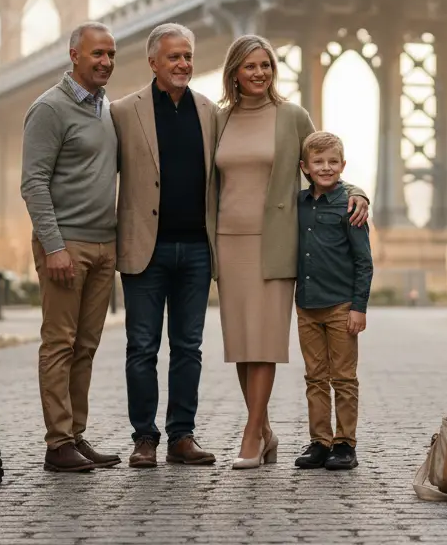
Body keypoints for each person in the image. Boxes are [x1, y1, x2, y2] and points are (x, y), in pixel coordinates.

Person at [212, 34, 368, 470]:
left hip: (276, 242)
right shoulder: (218, 119)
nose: (260, 73)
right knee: (242, 344)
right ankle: (264, 432)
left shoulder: (292, 116)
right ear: (234, 73)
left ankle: (250, 433)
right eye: (250, 66)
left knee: (263, 342)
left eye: (266, 65)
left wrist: (358, 192)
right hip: (227, 241)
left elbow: (324, 166)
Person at [110, 23, 219, 468]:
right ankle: (144, 438)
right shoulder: (121, 112)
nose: (183, 64)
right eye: (173, 57)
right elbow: (97, 173)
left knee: (188, 348)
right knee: (141, 347)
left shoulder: (212, 112)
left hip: (196, 249)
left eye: (188, 56)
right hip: (144, 250)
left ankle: (181, 437)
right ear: (153, 62)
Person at [20, 21, 122, 473]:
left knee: (86, 346)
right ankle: (57, 443)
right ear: (74, 54)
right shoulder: (49, 109)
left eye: (111, 55)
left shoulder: (106, 109)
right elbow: (33, 184)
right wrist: (54, 246)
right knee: (59, 343)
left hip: (104, 247)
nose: (105, 62)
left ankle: (76, 436)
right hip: (66, 246)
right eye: (97, 53)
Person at [292, 131, 372, 471]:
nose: (326, 168)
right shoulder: (298, 203)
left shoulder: (350, 205)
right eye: (318, 162)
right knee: (314, 377)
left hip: (340, 306)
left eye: (333, 162)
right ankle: (320, 442)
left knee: (343, 378)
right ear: (305, 167)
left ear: (343, 165)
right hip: (307, 305)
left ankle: (345, 443)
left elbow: (363, 261)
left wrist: (359, 307)